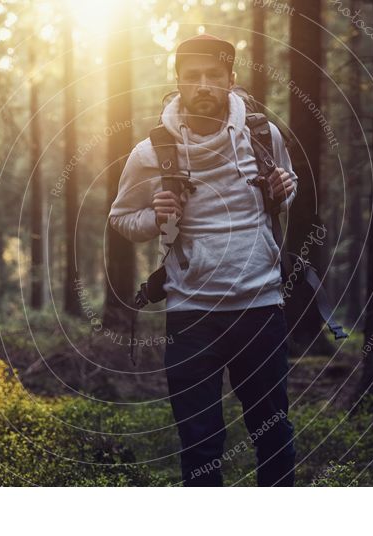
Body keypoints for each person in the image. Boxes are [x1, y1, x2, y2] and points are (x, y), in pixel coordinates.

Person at [108, 33, 299, 486]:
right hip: (191, 314)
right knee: (200, 442)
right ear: (178, 82)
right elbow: (121, 219)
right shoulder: (151, 152)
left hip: (259, 307)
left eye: (214, 76)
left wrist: (282, 192)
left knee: (272, 433)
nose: (204, 85)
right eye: (193, 77)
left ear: (231, 80)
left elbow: (282, 197)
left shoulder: (263, 135)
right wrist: (155, 217)